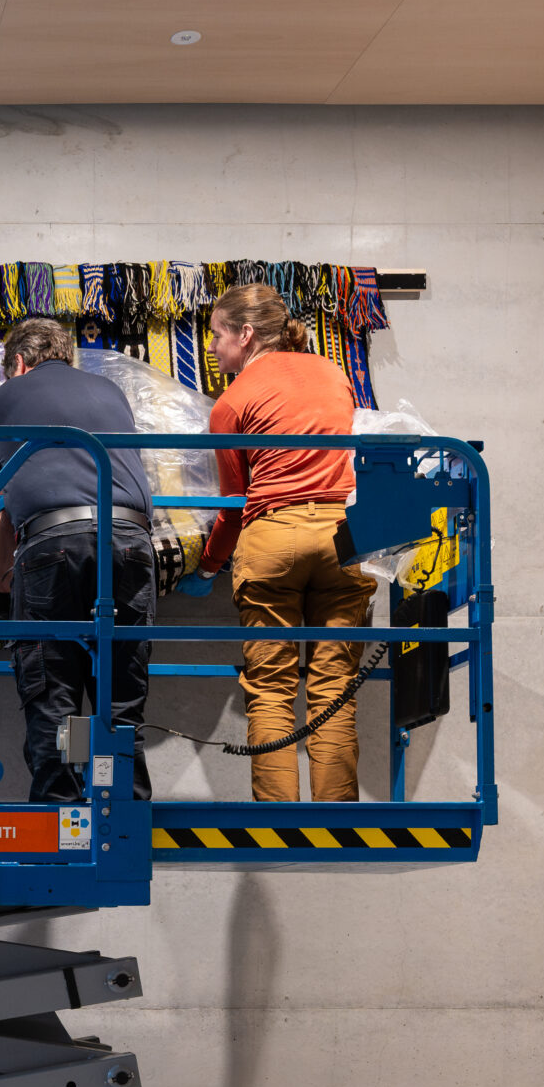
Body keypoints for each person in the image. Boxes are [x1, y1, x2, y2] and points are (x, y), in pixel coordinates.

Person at [195, 282, 373, 802]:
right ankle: (338, 820)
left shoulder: (231, 402)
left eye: (217, 334)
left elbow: (234, 506)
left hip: (273, 538)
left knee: (271, 688)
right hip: (344, 536)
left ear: (246, 334)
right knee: (334, 689)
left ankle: (278, 821)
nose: (211, 346)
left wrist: (207, 567)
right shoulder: (333, 373)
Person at [0, 316, 155, 803]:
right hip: (130, 541)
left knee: (53, 695)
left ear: (19, 362)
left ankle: (61, 822)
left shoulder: (9, 394)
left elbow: (4, 502)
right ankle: (122, 816)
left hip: (53, 542)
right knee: (120, 700)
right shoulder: (110, 391)